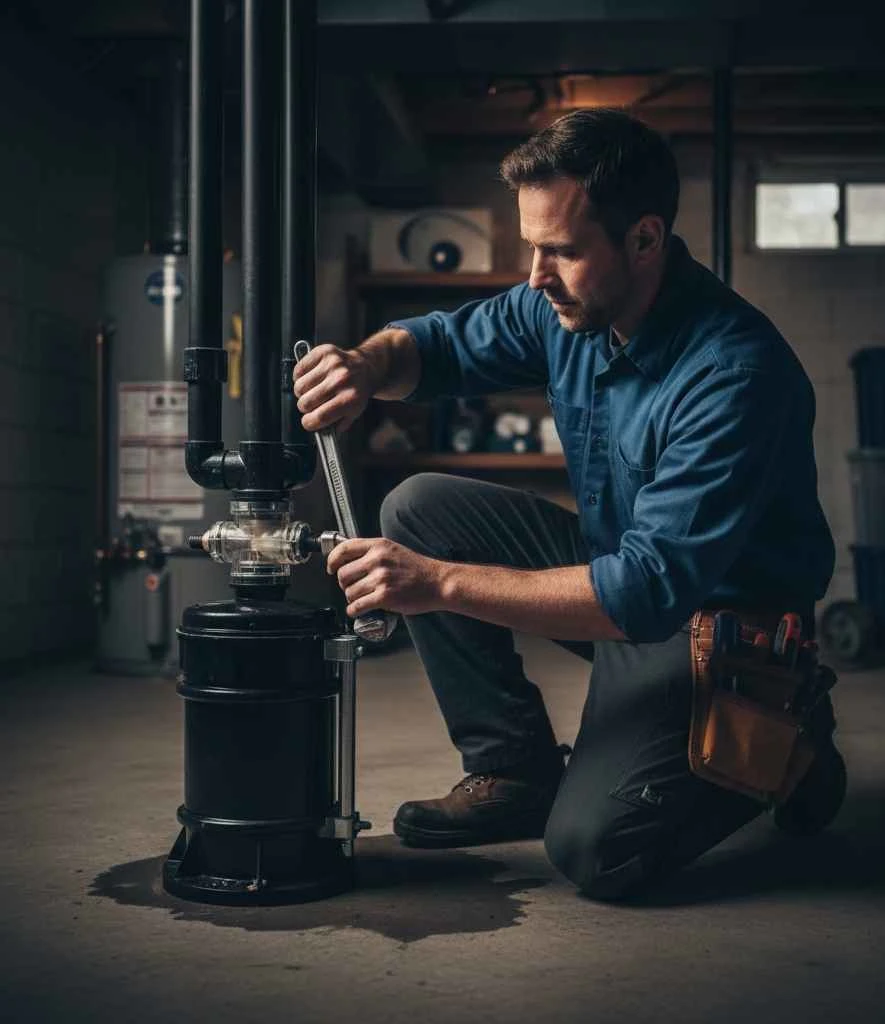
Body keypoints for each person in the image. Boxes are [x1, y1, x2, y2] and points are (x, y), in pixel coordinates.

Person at [292, 108, 842, 902]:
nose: (536, 276)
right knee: (418, 505)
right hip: (625, 584)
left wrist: (439, 584)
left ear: (645, 239)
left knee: (598, 852)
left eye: (561, 251)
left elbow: (646, 594)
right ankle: (512, 770)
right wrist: (365, 365)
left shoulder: (734, 374)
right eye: (532, 248)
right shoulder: (569, 307)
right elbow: (439, 343)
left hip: (719, 630)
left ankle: (792, 746)